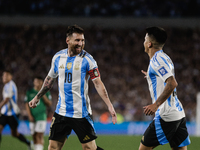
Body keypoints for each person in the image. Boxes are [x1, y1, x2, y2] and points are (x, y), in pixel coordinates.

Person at [29, 25, 117, 150]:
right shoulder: (58, 58)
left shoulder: (88, 60)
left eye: (82, 40)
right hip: (62, 111)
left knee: (89, 148)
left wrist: (109, 105)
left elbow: (98, 83)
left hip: (81, 113)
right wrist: (37, 97)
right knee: (53, 147)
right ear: (68, 41)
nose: (80, 43)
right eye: (77, 40)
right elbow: (49, 80)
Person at [139, 27, 191, 150]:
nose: (143, 42)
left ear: (149, 43)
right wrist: (151, 75)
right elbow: (165, 77)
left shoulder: (157, 60)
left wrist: (156, 104)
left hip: (165, 115)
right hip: (178, 113)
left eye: (145, 39)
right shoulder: (164, 57)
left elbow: (172, 83)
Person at [0, 70, 33, 150]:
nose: (4, 77)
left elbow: (7, 99)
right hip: (5, 113)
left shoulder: (10, 85)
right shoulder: (6, 85)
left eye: (6, 75)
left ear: (11, 77)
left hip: (13, 114)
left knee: (14, 134)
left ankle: (28, 142)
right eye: (3, 76)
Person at [25, 76, 52, 150]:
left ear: (42, 83)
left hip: (41, 116)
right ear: (34, 82)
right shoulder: (29, 92)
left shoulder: (46, 92)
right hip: (32, 116)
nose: (37, 83)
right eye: (36, 82)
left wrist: (41, 93)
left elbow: (49, 104)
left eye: (39, 82)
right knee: (34, 135)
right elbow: (26, 104)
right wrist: (29, 115)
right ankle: (36, 147)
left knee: (39, 135)